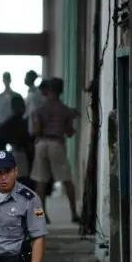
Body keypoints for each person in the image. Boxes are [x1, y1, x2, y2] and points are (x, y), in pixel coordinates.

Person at [31, 77, 81, 224]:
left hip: (41, 143)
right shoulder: (65, 110)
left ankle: (41, 216)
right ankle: (73, 213)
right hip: (57, 143)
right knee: (67, 180)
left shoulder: (40, 109)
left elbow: (36, 129)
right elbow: (70, 132)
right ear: (61, 91)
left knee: (41, 181)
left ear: (49, 90)